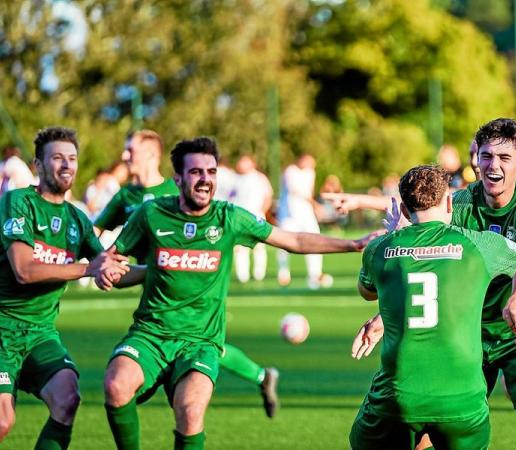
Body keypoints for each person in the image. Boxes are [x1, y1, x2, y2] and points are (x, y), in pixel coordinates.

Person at [102, 137, 379, 450]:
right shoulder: (150, 214)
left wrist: (353, 244)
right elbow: (112, 261)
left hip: (201, 341)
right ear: (177, 178)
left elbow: (294, 241)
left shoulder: (229, 218)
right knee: (116, 385)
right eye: (195, 172)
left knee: (191, 412)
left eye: (211, 171)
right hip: (150, 334)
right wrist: (107, 271)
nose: (205, 179)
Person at [350, 165, 516, 450]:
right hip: (463, 403)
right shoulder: (479, 245)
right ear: (450, 203)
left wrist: (397, 242)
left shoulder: (379, 250)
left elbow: (367, 290)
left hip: (395, 399)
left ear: (402, 208)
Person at [93, 131, 282, 417]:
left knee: (202, 349)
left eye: (131, 150)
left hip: (194, 283)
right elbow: (96, 241)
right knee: (140, 368)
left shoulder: (180, 189)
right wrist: (89, 264)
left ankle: (259, 376)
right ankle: (260, 376)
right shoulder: (127, 197)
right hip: (153, 287)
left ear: (153, 155)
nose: (124, 156)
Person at [0, 127, 129, 449]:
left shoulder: (76, 218)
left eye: (72, 158)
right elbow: (24, 270)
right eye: (57, 158)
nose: (66, 165)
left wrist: (161, 269)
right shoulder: (18, 202)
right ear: (38, 165)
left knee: (67, 398)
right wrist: (87, 268)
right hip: (1, 329)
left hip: (40, 333)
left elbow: (109, 269)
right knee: (3, 420)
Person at [276, 154, 332, 289]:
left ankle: (315, 275)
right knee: (283, 244)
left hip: (306, 215)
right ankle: (283, 273)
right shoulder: (291, 171)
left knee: (316, 242)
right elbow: (297, 192)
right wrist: (316, 205)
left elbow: (309, 192)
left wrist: (313, 207)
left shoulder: (310, 173)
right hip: (289, 215)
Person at [223, 155, 273, 283]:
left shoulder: (260, 178)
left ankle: (259, 273)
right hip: (239, 218)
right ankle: (242, 276)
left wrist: (262, 211)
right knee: (240, 247)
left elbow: (268, 196)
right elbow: (229, 198)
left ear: (252, 163)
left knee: (259, 246)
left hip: (257, 216)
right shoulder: (235, 179)